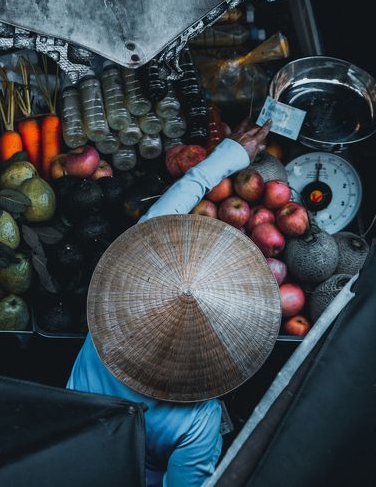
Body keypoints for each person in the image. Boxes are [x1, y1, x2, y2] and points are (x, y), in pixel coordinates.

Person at [67, 119, 273, 487]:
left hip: (66, 461)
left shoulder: (107, 327)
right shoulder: (199, 422)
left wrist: (230, 155)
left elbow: (160, 216)